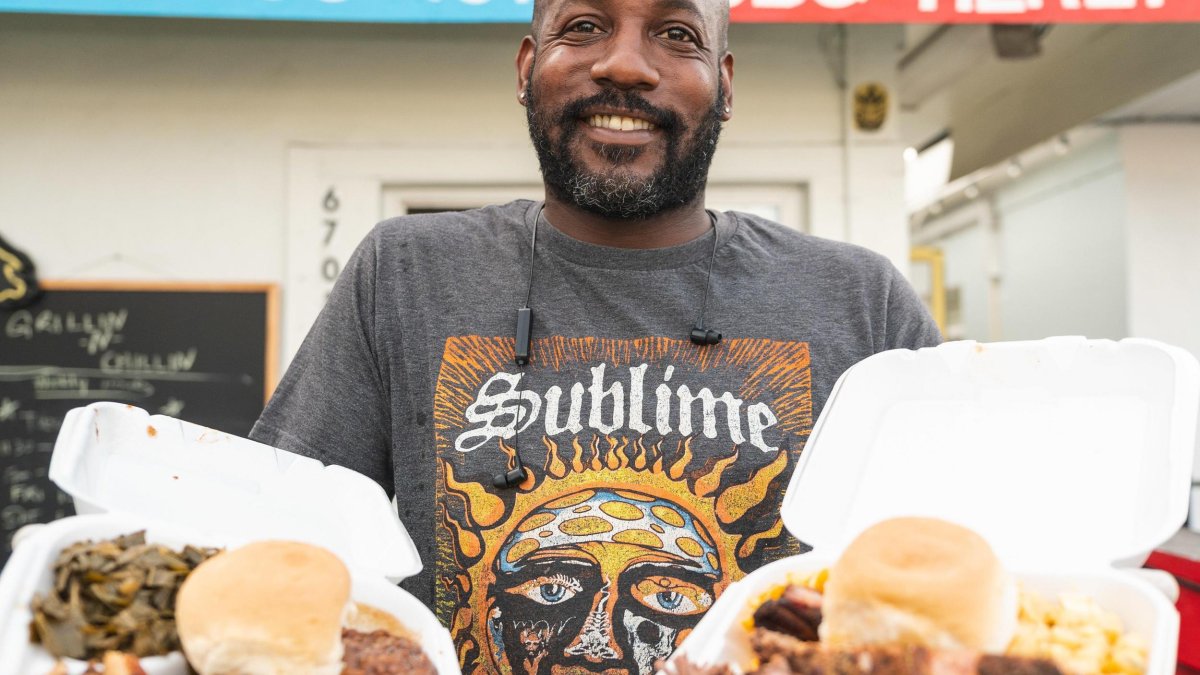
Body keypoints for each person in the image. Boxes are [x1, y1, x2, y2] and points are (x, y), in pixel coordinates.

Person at [250, 0, 942, 672]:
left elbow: (957, 574)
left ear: (724, 84)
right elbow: (280, 550)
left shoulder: (860, 301)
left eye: (676, 32)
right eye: (583, 26)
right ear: (526, 68)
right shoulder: (405, 273)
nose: (624, 64)